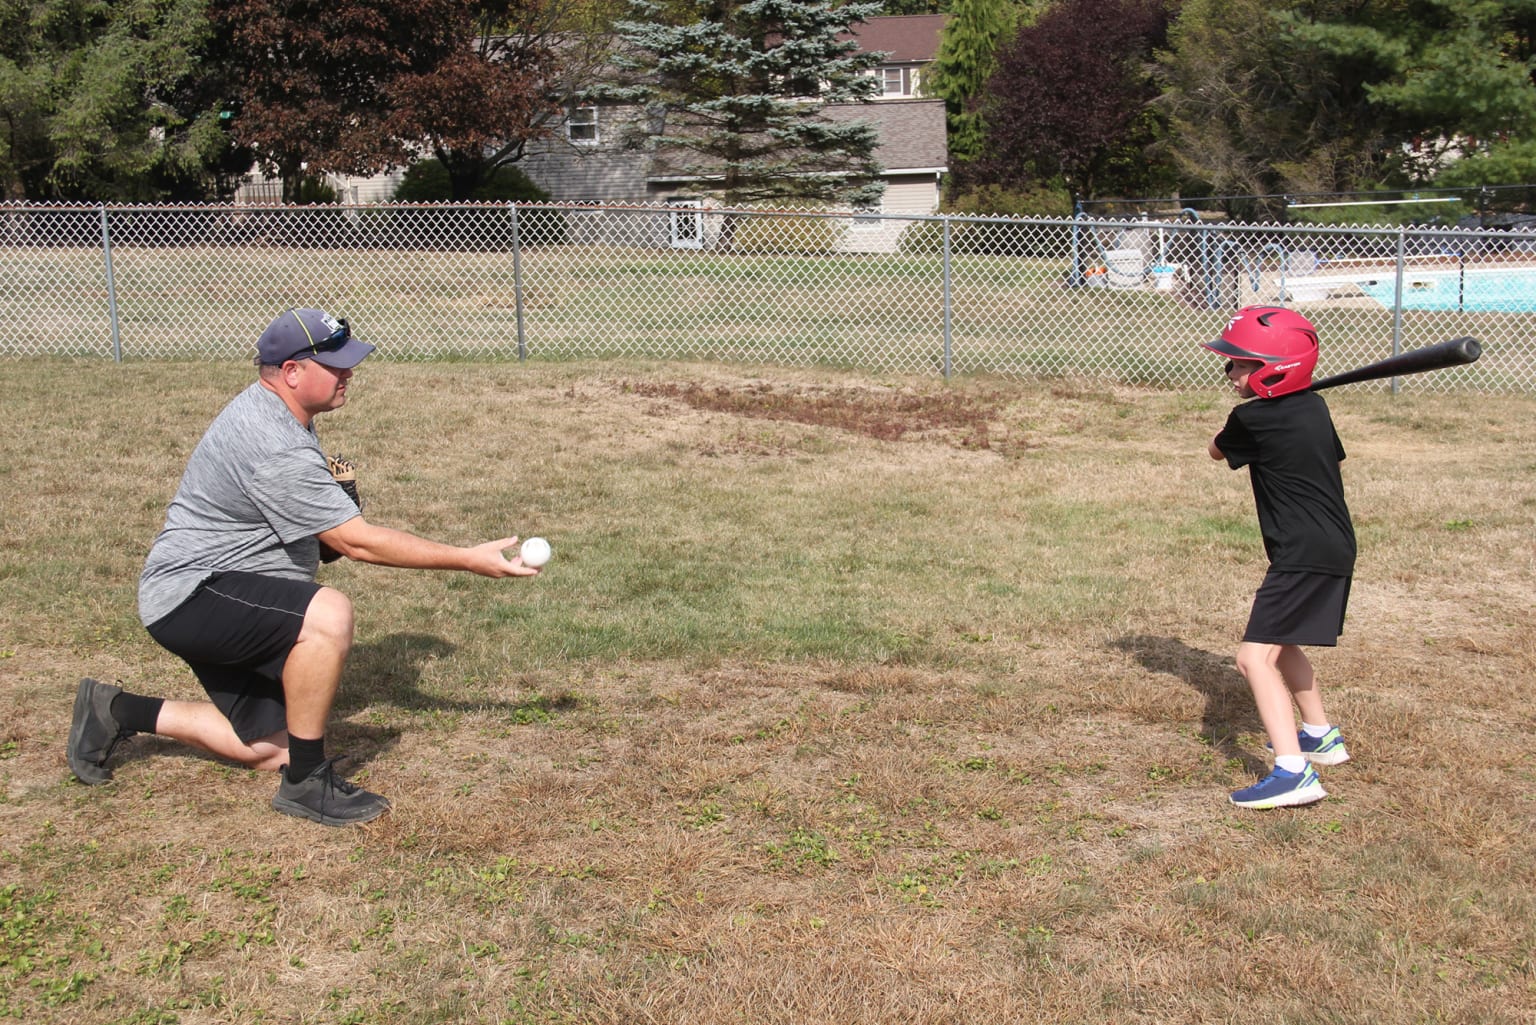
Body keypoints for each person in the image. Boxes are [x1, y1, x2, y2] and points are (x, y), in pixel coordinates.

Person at [66, 308, 541, 826]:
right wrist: (467, 559)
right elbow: (357, 544)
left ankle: (114, 711)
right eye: (335, 364)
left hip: (222, 589)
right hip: (192, 594)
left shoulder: (282, 414)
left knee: (270, 749)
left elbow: (321, 539)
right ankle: (307, 785)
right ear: (292, 372)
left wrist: (328, 533)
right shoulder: (273, 442)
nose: (349, 373)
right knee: (328, 615)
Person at [1203, 306, 1356, 810]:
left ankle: (1293, 772)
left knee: (1252, 658)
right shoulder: (1314, 407)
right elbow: (1329, 457)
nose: (1229, 373)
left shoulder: (1249, 417)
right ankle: (1319, 735)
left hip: (1301, 551)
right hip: (1330, 543)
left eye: (1240, 365)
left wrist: (1239, 424)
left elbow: (1217, 452)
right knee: (1283, 641)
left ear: (1273, 369)